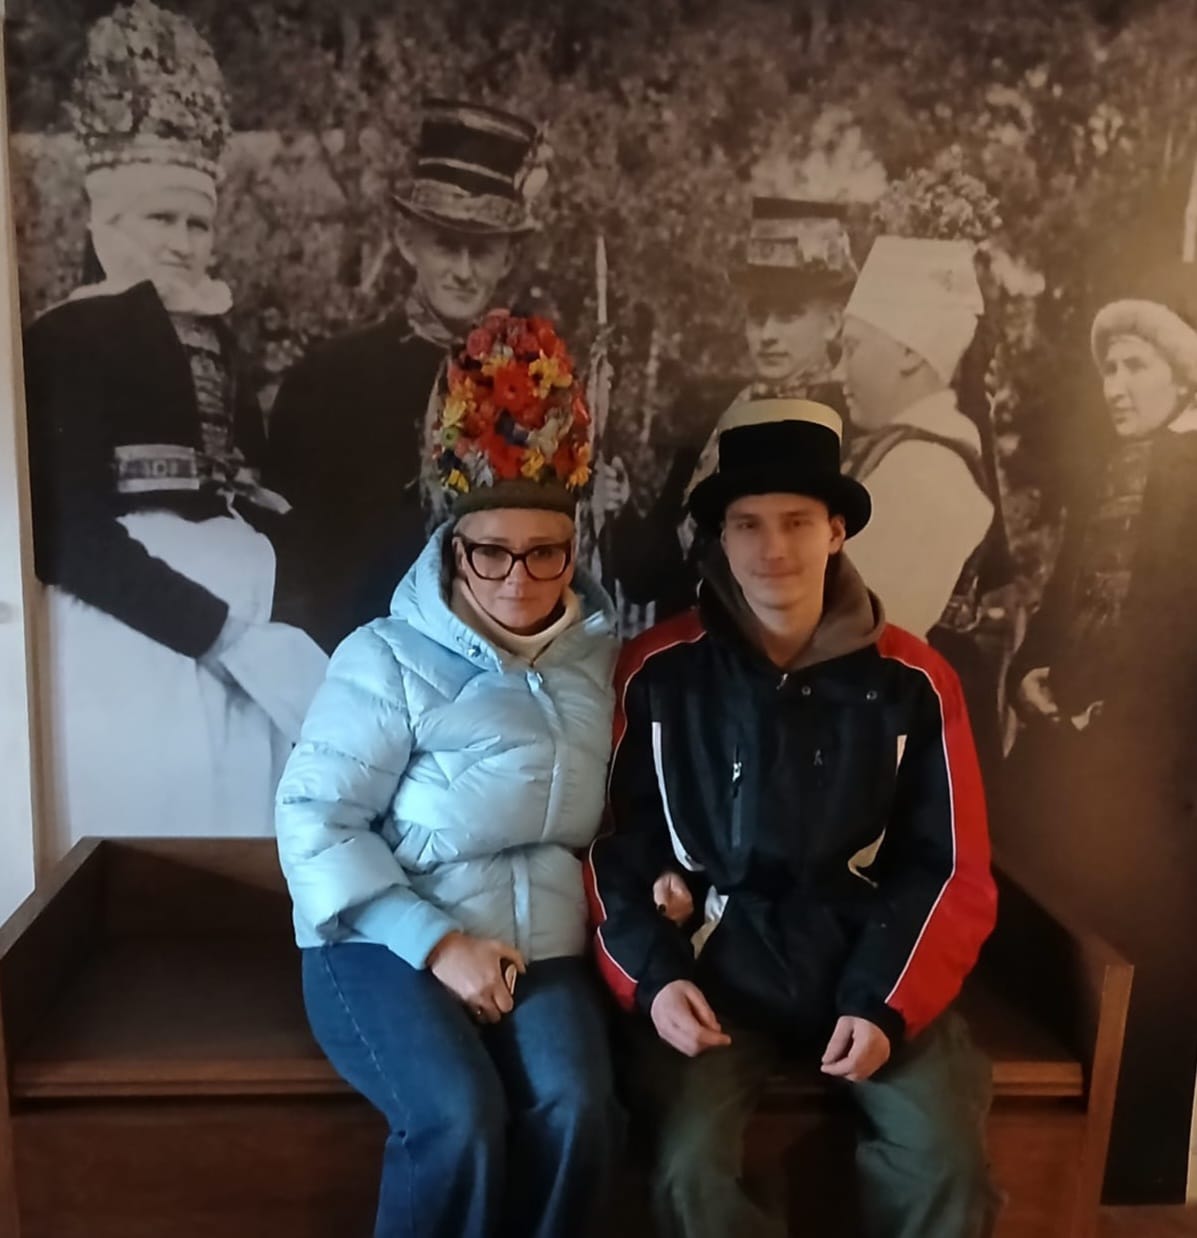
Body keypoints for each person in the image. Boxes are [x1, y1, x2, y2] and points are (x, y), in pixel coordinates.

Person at [586, 399, 999, 1238]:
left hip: (867, 962)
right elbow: (612, 846)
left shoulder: (913, 681)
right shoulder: (658, 670)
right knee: (687, 1169)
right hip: (714, 975)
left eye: (797, 522)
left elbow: (949, 868)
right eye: (747, 524)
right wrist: (654, 980)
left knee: (942, 1161)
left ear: (836, 531)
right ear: (721, 537)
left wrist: (883, 1003)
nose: (771, 548)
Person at [277, 313, 619, 1238]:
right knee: (458, 1122)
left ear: (572, 550)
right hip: (379, 942)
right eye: (490, 551)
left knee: (582, 1111)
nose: (518, 578)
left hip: (543, 947)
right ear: (453, 548)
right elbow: (313, 820)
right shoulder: (384, 656)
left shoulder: (600, 661)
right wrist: (437, 944)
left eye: (544, 552)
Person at [24, 0, 325, 854]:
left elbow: (240, 485)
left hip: (234, 645)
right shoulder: (68, 338)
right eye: (161, 219)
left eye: (198, 224)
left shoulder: (218, 335)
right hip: (128, 643)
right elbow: (72, 536)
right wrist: (213, 629)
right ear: (106, 222)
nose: (184, 244)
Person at [1005, 297, 1197, 1192]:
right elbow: (1058, 616)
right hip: (1074, 780)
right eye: (1107, 370)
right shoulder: (1112, 479)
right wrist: (1031, 678)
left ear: (1181, 377)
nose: (1115, 387)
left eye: (1135, 368)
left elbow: (1170, 640)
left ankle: (1127, 1200)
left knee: (1147, 1001)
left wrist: (1114, 714)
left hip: (1163, 795)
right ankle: (1048, 1195)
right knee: (1058, 983)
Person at [265, 98, 547, 650]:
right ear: (406, 241)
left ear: (508, 260)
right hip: (359, 661)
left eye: (482, 251)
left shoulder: (534, 387)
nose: (463, 271)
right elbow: (293, 561)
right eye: (446, 245)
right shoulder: (328, 381)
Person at [609, 196, 855, 620]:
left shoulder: (849, 429)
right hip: (690, 652)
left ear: (832, 322)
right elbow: (646, 577)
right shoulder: (717, 418)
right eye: (758, 316)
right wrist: (623, 506)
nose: (768, 334)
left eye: (789, 315)